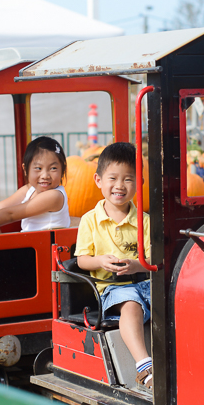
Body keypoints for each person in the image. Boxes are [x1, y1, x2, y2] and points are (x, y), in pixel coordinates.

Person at [74, 142, 153, 391]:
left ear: (138, 183)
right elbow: (81, 260)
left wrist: (135, 265)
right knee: (131, 305)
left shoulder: (144, 221)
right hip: (111, 289)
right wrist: (100, 261)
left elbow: (151, 261)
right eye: (113, 178)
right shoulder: (90, 220)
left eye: (128, 179)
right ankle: (144, 366)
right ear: (98, 180)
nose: (120, 186)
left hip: (144, 283)